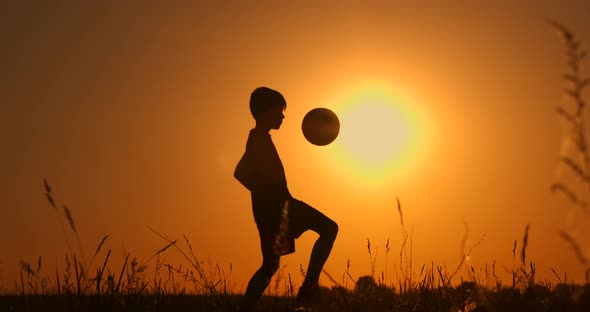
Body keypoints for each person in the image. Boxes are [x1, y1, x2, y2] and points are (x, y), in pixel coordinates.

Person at [234, 87, 338, 310]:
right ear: (267, 111)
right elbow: (241, 173)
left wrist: (262, 197)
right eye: (280, 111)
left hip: (271, 210)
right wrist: (269, 197)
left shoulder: (257, 138)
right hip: (280, 207)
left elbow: (240, 172)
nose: (283, 116)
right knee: (329, 228)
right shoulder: (258, 140)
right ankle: (309, 287)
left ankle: (244, 308)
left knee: (269, 267)